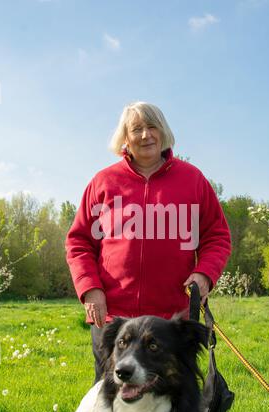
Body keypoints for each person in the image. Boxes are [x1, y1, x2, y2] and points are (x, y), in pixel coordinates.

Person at [65, 101, 231, 382]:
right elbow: (79, 242)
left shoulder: (192, 180)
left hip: (173, 321)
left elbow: (217, 236)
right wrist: (90, 289)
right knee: (112, 401)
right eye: (136, 129)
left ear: (163, 131)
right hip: (114, 320)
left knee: (175, 405)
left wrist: (204, 274)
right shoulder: (103, 182)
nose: (146, 135)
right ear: (125, 138)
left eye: (152, 126)